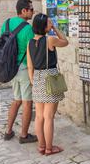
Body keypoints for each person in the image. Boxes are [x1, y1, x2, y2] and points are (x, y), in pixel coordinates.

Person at [27, 13, 68, 156]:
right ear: (45, 27)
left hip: (37, 78)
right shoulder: (50, 39)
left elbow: (30, 67)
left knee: (39, 116)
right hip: (50, 78)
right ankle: (49, 148)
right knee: (49, 116)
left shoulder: (30, 43)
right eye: (49, 23)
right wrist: (55, 29)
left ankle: (41, 146)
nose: (50, 24)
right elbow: (65, 41)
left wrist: (34, 82)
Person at [2, 0, 38, 144]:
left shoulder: (7, 23)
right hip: (23, 68)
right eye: (31, 9)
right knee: (27, 102)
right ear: (24, 11)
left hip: (11, 68)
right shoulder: (28, 29)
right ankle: (24, 135)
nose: (33, 11)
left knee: (17, 100)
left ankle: (8, 131)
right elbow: (32, 52)